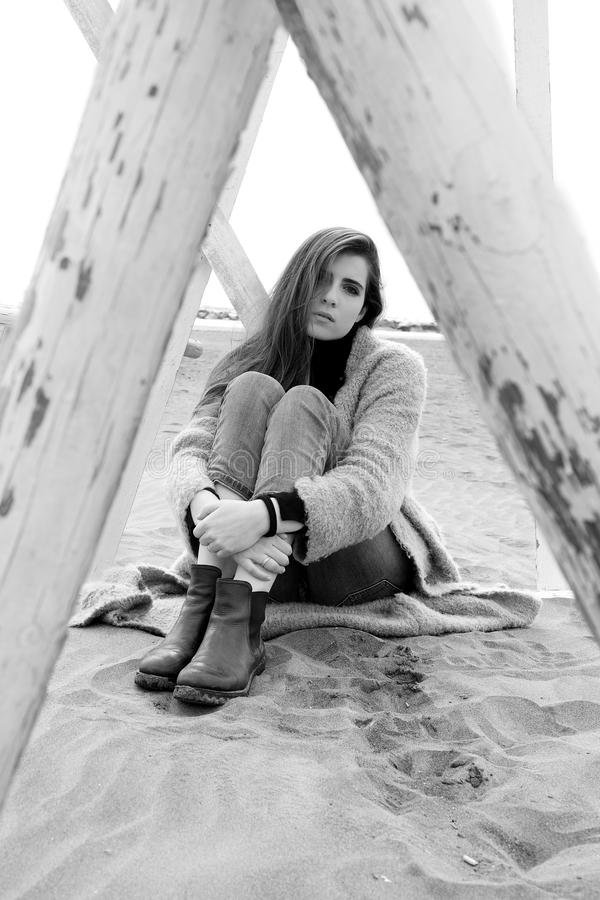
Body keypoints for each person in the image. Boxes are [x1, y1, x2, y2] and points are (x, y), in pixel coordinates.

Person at [134, 226, 426, 706]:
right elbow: (190, 449)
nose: (331, 298)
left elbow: (374, 485)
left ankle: (225, 621)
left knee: (303, 403)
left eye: (349, 289)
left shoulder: (394, 367)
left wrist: (262, 516)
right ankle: (213, 620)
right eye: (320, 279)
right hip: (269, 566)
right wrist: (208, 505)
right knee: (251, 388)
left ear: (364, 309)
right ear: (297, 282)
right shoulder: (249, 358)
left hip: (356, 561)